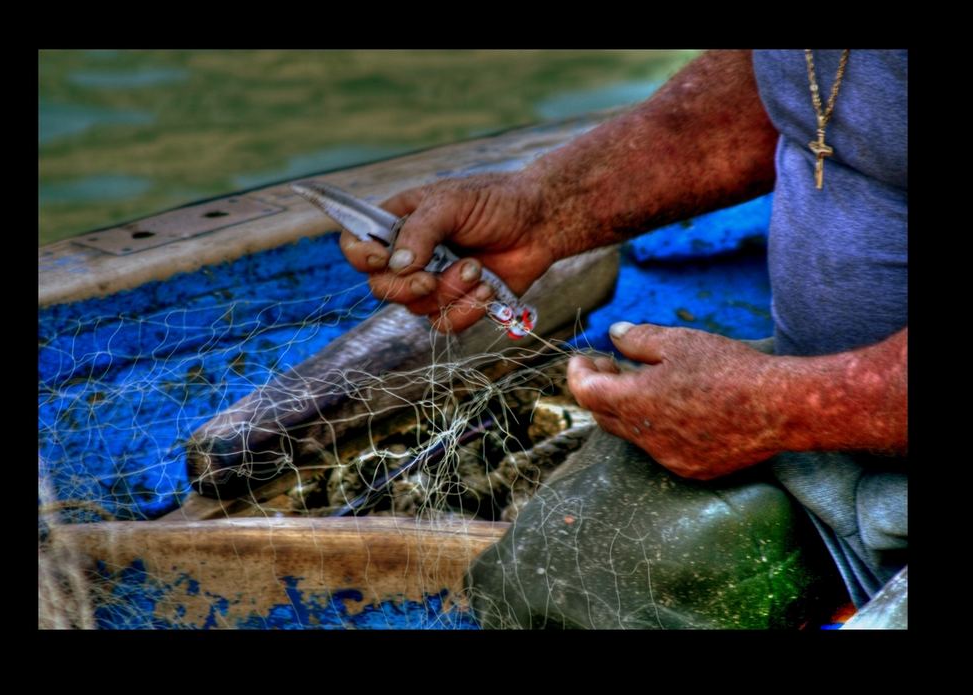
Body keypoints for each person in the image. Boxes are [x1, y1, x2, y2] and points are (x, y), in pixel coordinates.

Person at [337, 50, 907, 627]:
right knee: (555, 576)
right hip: (830, 446)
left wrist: (791, 406)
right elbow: (813, 85)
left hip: (842, 423)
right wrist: (546, 208)